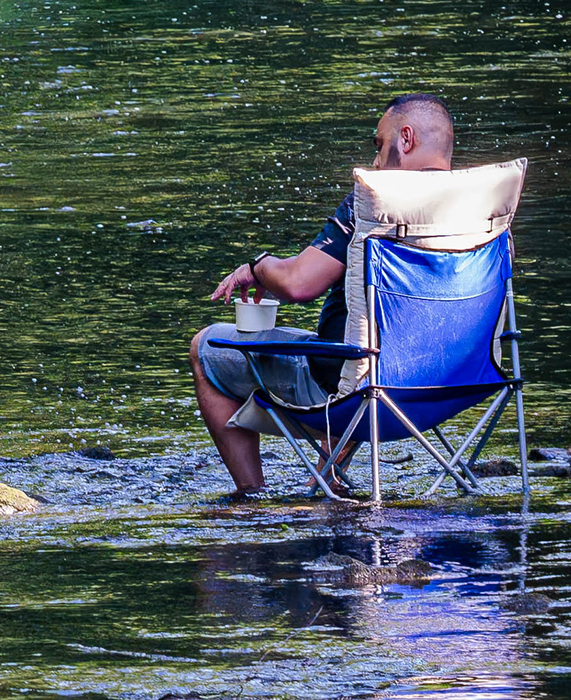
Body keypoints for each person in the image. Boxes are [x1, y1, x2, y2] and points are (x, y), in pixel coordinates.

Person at [192, 94, 460, 497]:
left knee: (206, 346)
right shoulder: (482, 203)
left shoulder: (375, 201)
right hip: (448, 384)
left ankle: (251, 498)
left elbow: (299, 283)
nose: (373, 162)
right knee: (365, 334)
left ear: (405, 139)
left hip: (363, 388)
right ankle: (328, 478)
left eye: (379, 144)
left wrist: (257, 266)